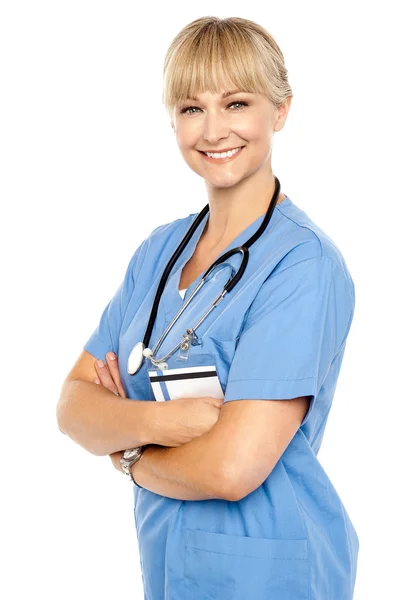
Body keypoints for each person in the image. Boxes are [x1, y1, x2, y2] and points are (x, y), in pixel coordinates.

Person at [57, 16, 359, 600]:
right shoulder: (158, 252)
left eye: (237, 102)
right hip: (169, 562)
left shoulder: (302, 263)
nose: (214, 129)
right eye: (192, 108)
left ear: (281, 110)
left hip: (273, 569)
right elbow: (72, 407)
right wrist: (165, 424)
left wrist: (128, 453)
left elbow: (232, 469)